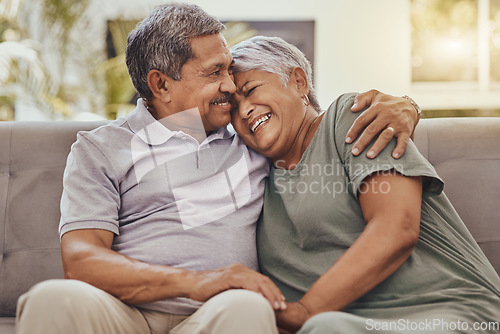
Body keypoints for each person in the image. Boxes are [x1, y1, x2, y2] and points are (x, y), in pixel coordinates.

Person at [15, 4, 421, 334]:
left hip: (218, 314)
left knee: (248, 308)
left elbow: (307, 119)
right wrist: (199, 281)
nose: (231, 84)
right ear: (160, 85)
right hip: (125, 313)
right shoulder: (101, 148)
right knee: (52, 298)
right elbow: (82, 259)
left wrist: (405, 104)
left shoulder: (248, 137)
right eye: (214, 72)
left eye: (228, 68)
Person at [230, 35, 500, 334]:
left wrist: (306, 311)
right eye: (233, 106)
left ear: (298, 82)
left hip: (449, 310)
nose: (243, 111)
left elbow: (396, 228)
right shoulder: (255, 179)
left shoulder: (350, 117)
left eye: (251, 90)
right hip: (340, 324)